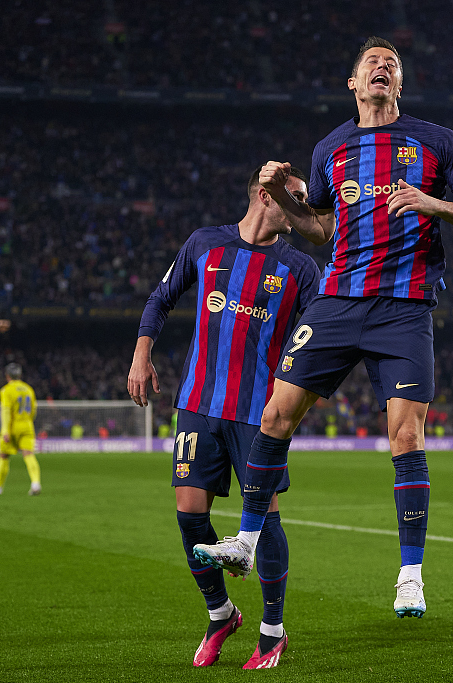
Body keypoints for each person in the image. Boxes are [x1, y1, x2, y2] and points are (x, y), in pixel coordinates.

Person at [193, 36, 453, 620]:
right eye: (371, 64)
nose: (382, 68)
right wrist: (282, 191)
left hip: (404, 308)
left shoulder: (437, 142)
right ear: (354, 85)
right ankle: (247, 543)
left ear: (399, 86)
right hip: (337, 302)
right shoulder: (330, 148)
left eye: (392, 65)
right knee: (276, 415)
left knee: (405, 436)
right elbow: (322, 231)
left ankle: (411, 576)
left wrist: (434, 205)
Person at [127, 166, 320, 669]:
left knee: (268, 519)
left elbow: (316, 341)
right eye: (293, 199)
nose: (302, 209)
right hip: (197, 405)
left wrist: (302, 394)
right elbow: (160, 298)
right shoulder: (206, 243)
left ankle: (272, 631)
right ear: (264, 196)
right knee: (190, 515)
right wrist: (141, 354)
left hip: (259, 415)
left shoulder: (301, 269)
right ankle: (220, 613)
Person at [0, 363, 41, 496]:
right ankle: (36, 483)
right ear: (20, 375)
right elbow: (34, 410)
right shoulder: (29, 389)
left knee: (4, 455)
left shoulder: (6, 390)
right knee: (28, 454)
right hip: (27, 425)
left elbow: (5, 411)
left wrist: (5, 430)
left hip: (12, 425)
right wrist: (28, 421)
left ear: (7, 376)